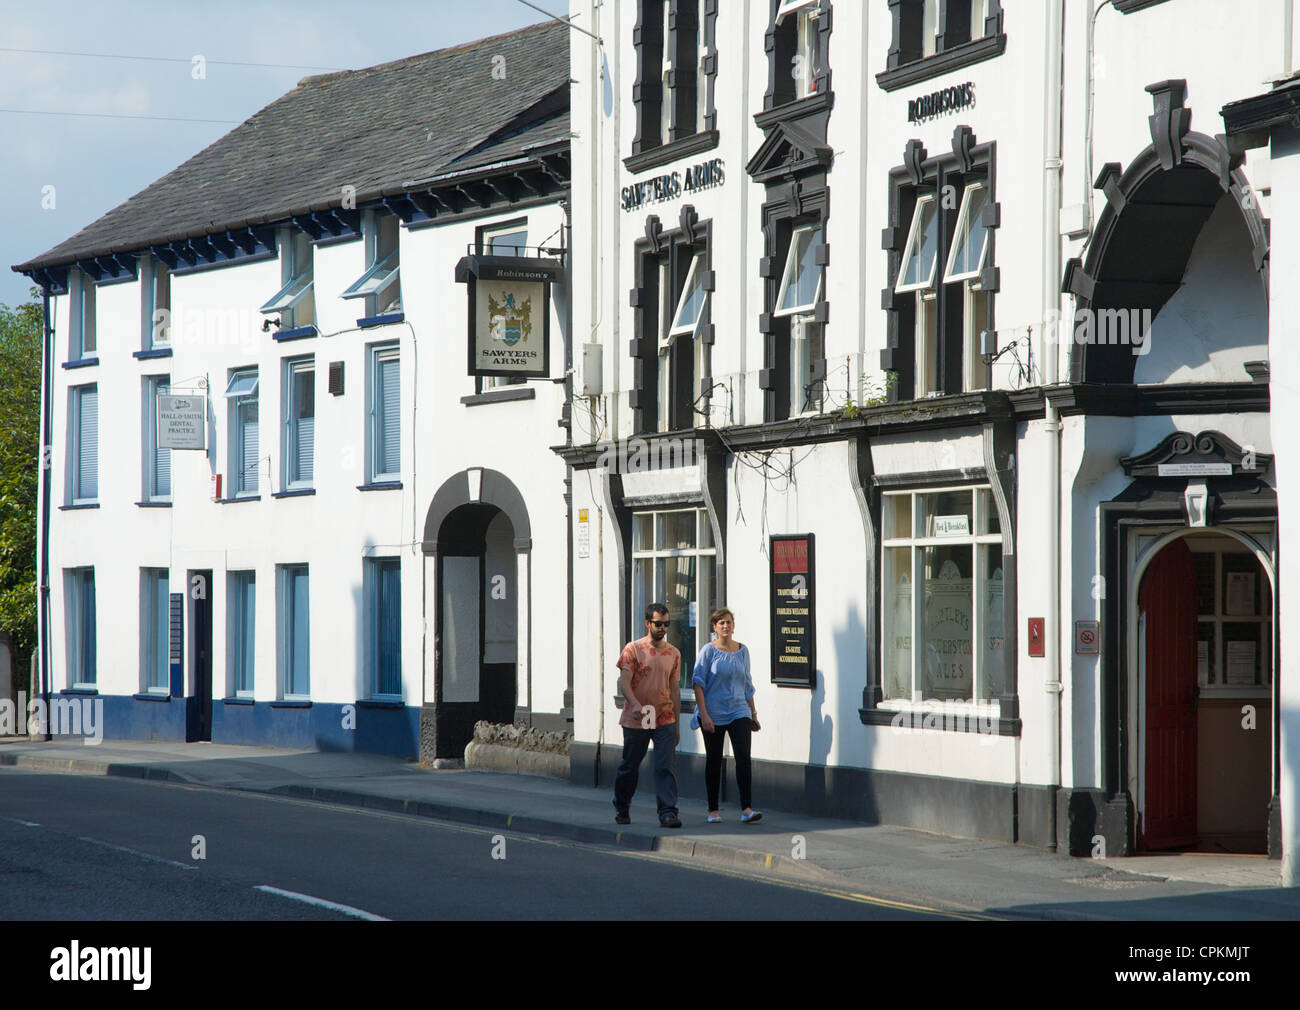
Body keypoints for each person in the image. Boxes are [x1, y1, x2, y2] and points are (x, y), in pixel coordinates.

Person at [612, 603, 683, 828]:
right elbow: (623, 681)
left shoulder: (674, 653)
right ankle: (622, 806)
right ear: (647, 623)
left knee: (665, 766)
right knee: (631, 765)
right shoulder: (633, 649)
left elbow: (675, 689)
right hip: (639, 715)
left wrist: (677, 724)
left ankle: (668, 812)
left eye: (666, 624)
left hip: (664, 716)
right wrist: (633, 703)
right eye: (658, 624)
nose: (662, 628)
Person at [692, 607, 761, 824]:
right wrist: (704, 714)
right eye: (721, 622)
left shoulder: (743, 650)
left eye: (728, 622)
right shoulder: (708, 651)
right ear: (714, 627)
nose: (725, 626)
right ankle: (713, 810)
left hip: (739, 710)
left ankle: (747, 808)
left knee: (743, 757)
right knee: (714, 760)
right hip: (713, 711)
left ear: (733, 626)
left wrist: (754, 713)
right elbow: (698, 683)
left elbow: (747, 684)